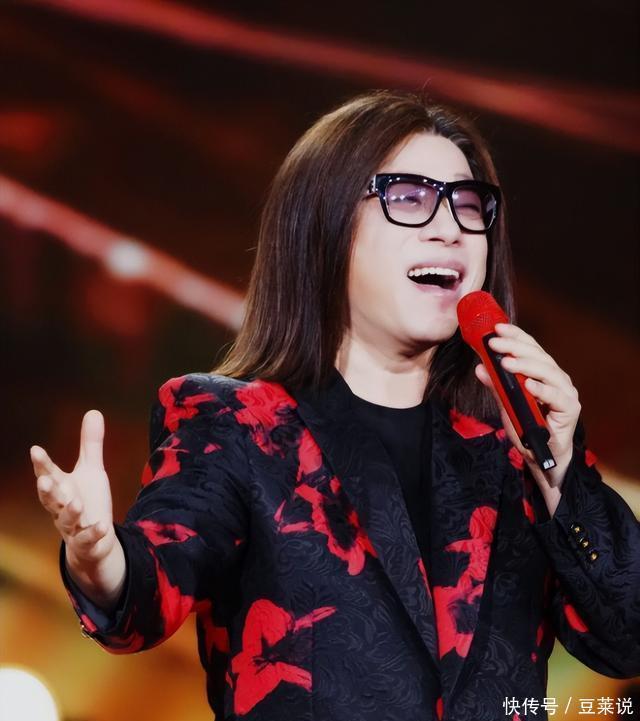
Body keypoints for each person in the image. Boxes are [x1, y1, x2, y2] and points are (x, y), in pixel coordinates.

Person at [30, 90, 640, 721]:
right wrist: (97, 553)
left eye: (467, 204)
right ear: (326, 225)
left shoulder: (512, 454)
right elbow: (149, 592)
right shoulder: (240, 425)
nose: (450, 228)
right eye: (409, 198)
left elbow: (626, 637)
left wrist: (561, 473)